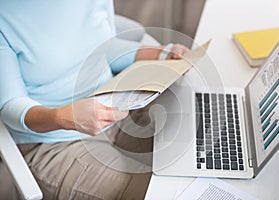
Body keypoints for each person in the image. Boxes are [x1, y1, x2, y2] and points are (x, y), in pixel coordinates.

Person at [0, 0, 189, 199]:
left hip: (117, 110)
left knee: (193, 156)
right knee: (168, 193)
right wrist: (65, 116)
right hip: (55, 143)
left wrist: (160, 53)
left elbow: (100, 47)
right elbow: (9, 105)